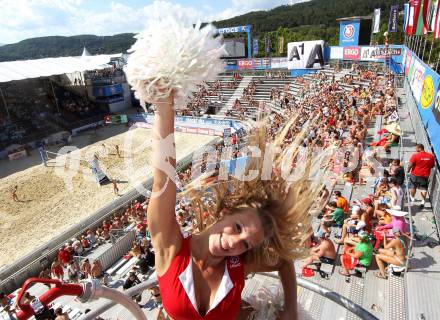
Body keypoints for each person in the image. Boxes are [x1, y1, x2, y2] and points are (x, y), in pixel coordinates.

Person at [147, 91, 321, 320]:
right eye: (238, 228)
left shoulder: (240, 265)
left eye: (246, 244)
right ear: (227, 212)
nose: (234, 244)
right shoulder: (171, 248)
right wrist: (164, 102)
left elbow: (284, 264)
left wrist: (291, 310)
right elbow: (164, 177)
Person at [408, 144, 435, 208]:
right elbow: (433, 165)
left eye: (416, 148)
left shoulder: (415, 155)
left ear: (420, 148)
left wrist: (408, 170)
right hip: (425, 175)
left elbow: (410, 165)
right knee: (424, 188)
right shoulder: (431, 156)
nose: (415, 149)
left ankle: (412, 198)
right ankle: (423, 201)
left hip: (415, 174)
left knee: (413, 187)